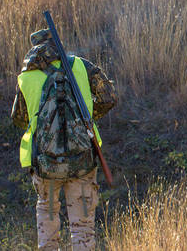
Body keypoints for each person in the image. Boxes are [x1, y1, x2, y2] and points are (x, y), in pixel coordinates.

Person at [11, 29, 117, 251]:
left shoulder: (26, 77)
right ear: (58, 44)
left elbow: (19, 119)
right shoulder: (80, 66)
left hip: (46, 166)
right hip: (82, 162)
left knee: (48, 220)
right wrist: (82, 120)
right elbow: (109, 97)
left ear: (35, 49)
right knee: (82, 228)